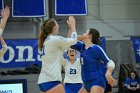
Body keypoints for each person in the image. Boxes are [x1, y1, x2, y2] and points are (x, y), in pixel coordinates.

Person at [37, 16, 77, 93]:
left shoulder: (46, 41)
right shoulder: (54, 39)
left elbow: (66, 45)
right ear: (54, 27)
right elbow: (74, 41)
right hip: (52, 80)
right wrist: (73, 26)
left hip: (43, 81)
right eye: (57, 24)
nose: (59, 26)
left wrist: (70, 29)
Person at [71, 28, 116, 93]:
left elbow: (110, 62)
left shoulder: (96, 48)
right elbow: (69, 42)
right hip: (86, 84)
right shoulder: (81, 46)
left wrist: (108, 73)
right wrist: (73, 31)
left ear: (90, 36)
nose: (83, 34)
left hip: (96, 81)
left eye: (85, 32)